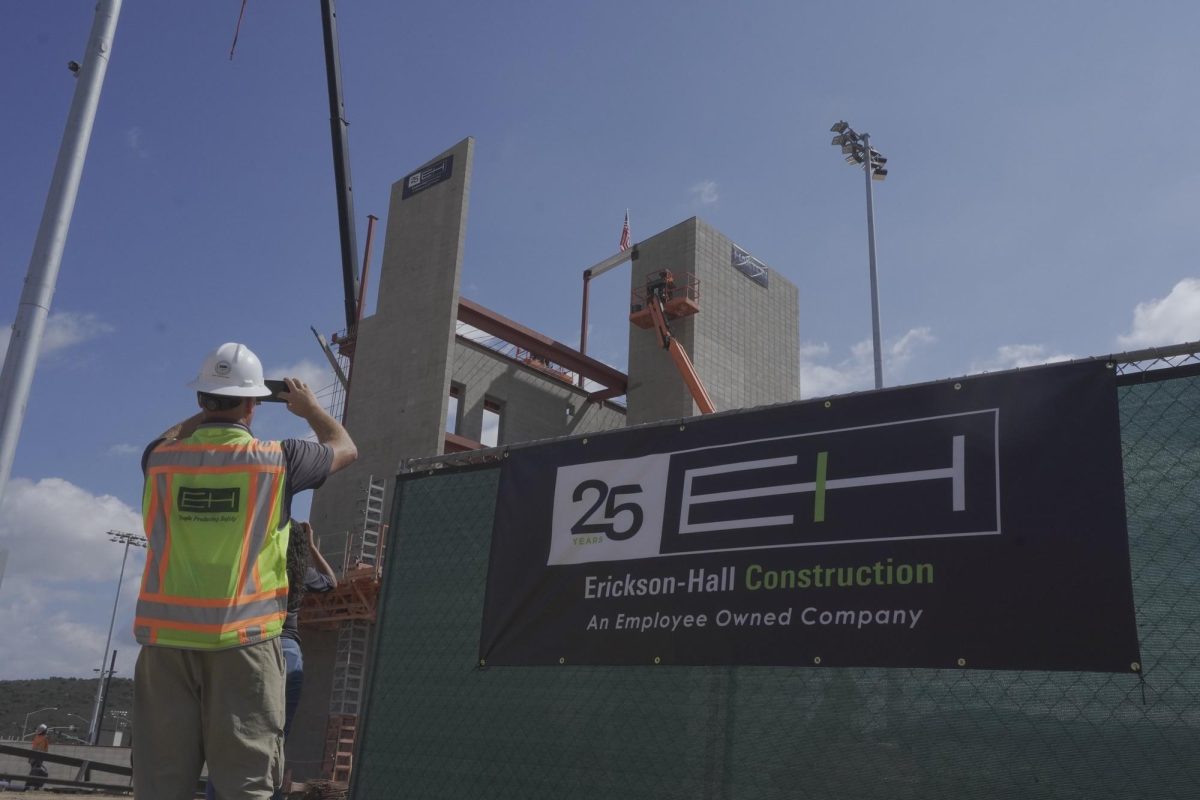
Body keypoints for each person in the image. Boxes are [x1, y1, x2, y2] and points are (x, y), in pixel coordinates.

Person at [132, 343, 357, 800]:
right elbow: (345, 447)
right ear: (253, 404)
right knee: (245, 784)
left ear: (200, 400)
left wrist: (205, 412)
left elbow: (169, 436)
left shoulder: (160, 459)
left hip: (165, 646)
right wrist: (310, 408)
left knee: (160, 783)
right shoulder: (280, 459)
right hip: (245, 643)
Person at [28, 724, 50, 788]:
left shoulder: (36, 737)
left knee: (33, 771)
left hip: (32, 758)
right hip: (38, 758)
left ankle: (30, 785)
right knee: (36, 772)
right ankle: (34, 786)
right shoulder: (44, 739)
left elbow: (34, 748)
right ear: (45, 731)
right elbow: (43, 750)